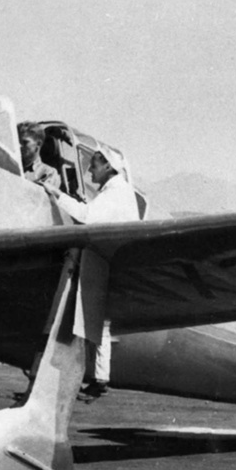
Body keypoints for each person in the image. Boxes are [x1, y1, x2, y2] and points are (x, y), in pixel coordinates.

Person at [80, 148, 141, 400]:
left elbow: (87, 216)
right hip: (117, 264)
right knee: (99, 324)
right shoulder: (116, 190)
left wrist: (58, 196)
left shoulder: (116, 191)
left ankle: (99, 380)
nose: (89, 171)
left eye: (93, 166)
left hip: (113, 265)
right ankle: (98, 378)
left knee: (99, 324)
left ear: (107, 167)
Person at [18, 123, 60, 191]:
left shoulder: (49, 173)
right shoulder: (10, 166)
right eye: (17, 142)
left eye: (25, 142)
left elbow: (42, 199)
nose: (19, 146)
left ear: (38, 144)